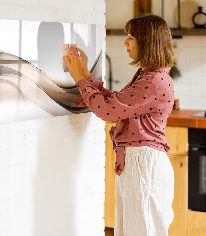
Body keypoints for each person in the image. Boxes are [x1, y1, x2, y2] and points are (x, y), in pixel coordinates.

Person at [64, 14, 176, 236]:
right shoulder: (149, 76)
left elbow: (107, 111)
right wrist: (86, 74)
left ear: (147, 42)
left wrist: (79, 78)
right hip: (139, 163)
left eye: (131, 37)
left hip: (144, 165)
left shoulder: (153, 81)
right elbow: (115, 104)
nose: (125, 42)